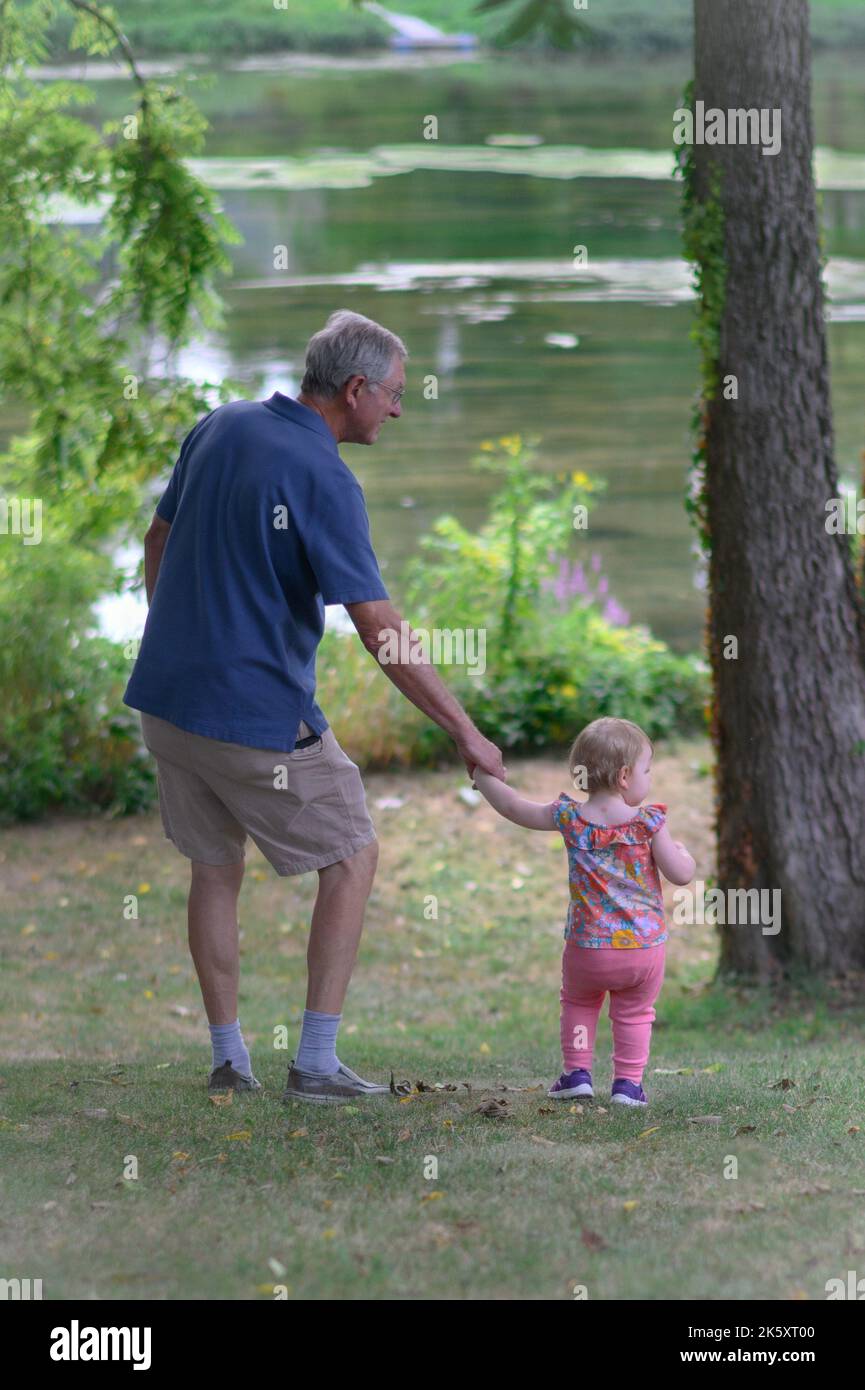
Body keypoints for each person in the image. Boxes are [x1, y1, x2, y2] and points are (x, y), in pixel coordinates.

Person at [124, 309, 505, 1103]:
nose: (399, 410)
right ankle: (317, 1064)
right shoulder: (324, 476)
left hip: (165, 703)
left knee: (214, 869)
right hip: (251, 718)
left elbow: (156, 542)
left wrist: (178, 636)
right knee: (352, 854)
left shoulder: (219, 425)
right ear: (356, 389)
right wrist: (464, 731)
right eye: (394, 395)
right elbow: (379, 629)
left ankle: (230, 1061)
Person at [472, 716, 695, 1107]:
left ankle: (577, 1073)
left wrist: (482, 774)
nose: (650, 777)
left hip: (587, 948)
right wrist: (685, 856)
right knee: (635, 1013)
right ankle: (627, 1084)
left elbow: (513, 807)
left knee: (579, 1003)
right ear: (625, 776)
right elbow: (680, 875)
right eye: (647, 769)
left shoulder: (570, 818)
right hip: (642, 949)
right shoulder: (649, 823)